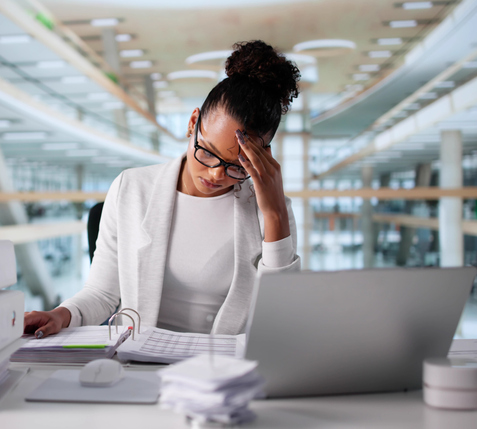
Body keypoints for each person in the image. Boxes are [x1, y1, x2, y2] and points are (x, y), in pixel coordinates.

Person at [24, 40, 302, 336]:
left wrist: (274, 214)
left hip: (222, 367)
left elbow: (278, 316)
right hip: (136, 361)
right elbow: (102, 294)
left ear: (262, 159)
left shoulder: (271, 211)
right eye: (206, 151)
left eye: (237, 166)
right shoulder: (131, 189)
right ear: (193, 122)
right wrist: (60, 315)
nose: (215, 173)